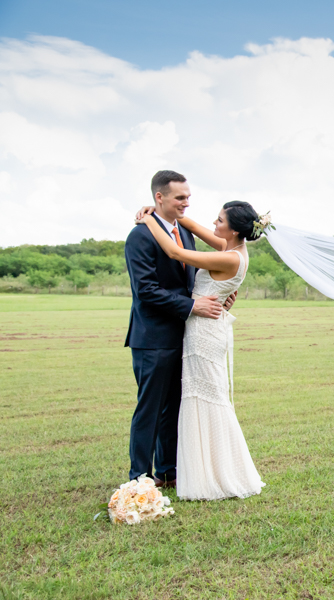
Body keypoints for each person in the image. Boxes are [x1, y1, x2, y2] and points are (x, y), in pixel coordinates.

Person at [135, 199, 265, 500]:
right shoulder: (230, 247)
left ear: (232, 230)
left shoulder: (230, 257)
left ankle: (214, 476)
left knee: (205, 399)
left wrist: (147, 219)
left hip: (205, 333)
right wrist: (166, 214)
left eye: (219, 221)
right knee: (201, 397)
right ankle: (203, 470)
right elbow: (189, 225)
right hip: (203, 329)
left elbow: (175, 252)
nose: (215, 224)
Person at [124, 170, 229, 487]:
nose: (186, 203)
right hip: (152, 338)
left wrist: (219, 295)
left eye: (188, 197)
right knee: (150, 410)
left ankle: (169, 472)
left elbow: (193, 279)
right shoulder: (140, 236)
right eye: (180, 197)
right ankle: (140, 477)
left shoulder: (184, 234)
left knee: (174, 407)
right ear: (160, 197)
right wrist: (191, 306)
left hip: (184, 335)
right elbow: (146, 290)